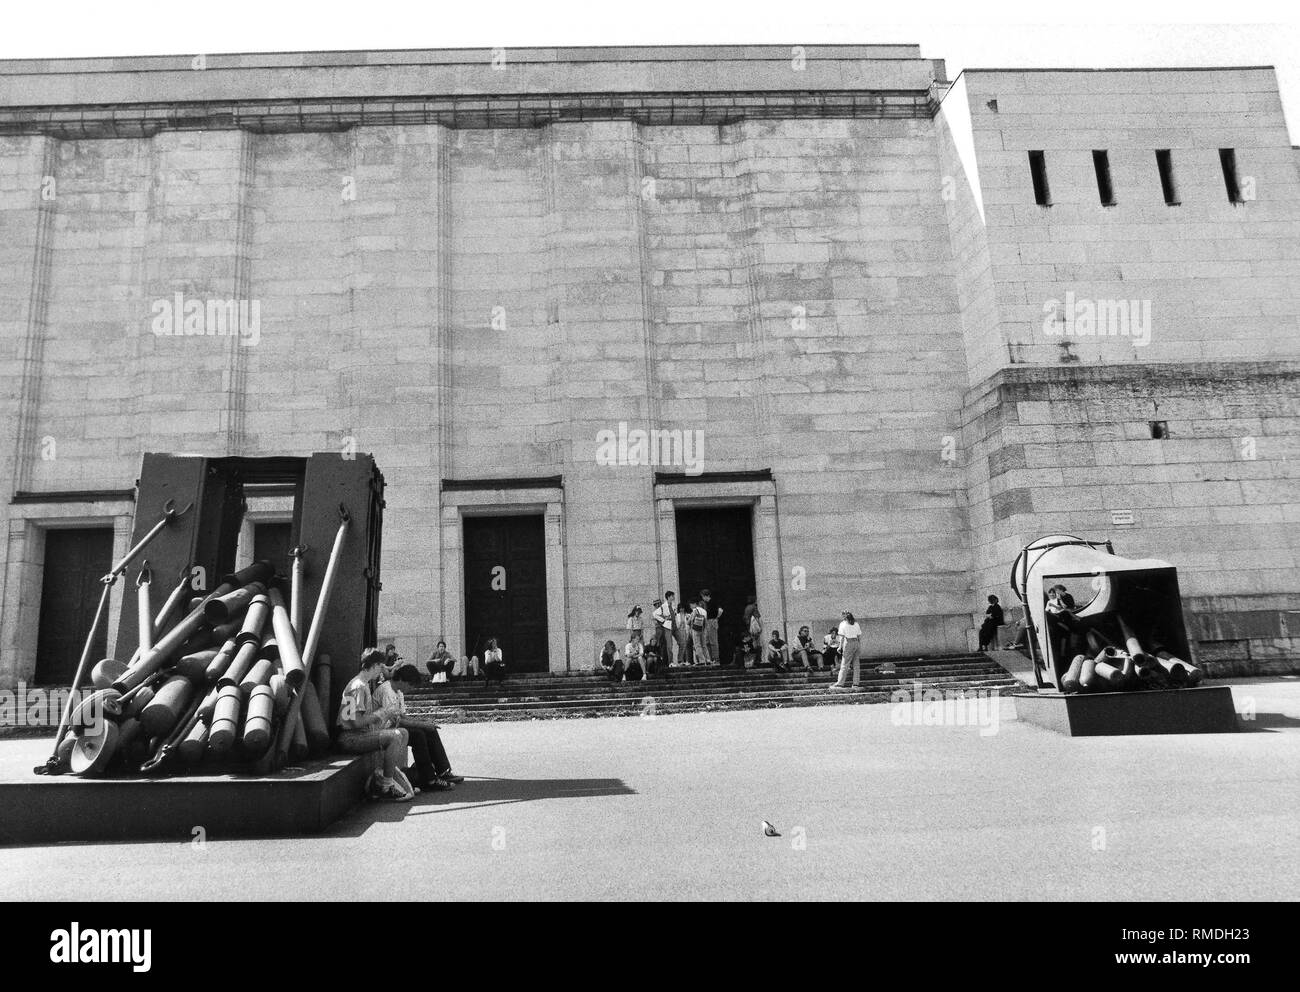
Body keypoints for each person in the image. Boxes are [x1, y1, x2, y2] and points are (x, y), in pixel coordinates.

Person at [335, 647, 412, 802]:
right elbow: (356, 722)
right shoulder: (358, 686)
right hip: (351, 737)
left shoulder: (362, 684)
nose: (382, 671)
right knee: (395, 736)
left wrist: (386, 716)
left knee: (403, 732)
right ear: (375, 665)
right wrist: (382, 713)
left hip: (358, 734)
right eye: (381, 667)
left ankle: (388, 778)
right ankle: (386, 786)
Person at [378, 665, 463, 790]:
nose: (411, 689)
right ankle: (429, 780)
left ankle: (443, 771)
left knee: (430, 730)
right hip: (384, 729)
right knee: (418, 735)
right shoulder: (386, 691)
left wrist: (423, 722)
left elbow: (402, 716)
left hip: (393, 726)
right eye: (410, 685)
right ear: (402, 680)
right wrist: (423, 724)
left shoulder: (398, 691)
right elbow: (398, 722)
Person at [829, 611, 863, 691]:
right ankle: (856, 683)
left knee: (844, 664)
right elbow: (859, 636)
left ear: (844, 617)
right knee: (856, 664)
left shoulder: (843, 624)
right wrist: (858, 645)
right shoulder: (856, 623)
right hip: (856, 643)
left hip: (848, 642)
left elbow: (842, 637)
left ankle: (840, 683)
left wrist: (840, 647)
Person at [700, 589, 723, 664]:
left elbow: (720, 610)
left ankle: (716, 659)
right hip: (707, 622)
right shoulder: (706, 603)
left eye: (703, 596)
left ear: (705, 596)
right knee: (707, 641)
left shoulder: (713, 602)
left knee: (713, 641)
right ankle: (710, 658)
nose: (702, 598)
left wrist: (716, 618)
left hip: (711, 621)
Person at [652, 592, 675, 663]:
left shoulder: (663, 610)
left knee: (666, 645)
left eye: (659, 604)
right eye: (656, 604)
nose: (658, 605)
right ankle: (662, 660)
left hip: (665, 629)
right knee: (660, 645)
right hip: (659, 630)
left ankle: (667, 660)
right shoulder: (656, 612)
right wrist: (663, 620)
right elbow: (656, 623)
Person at [688, 597, 709, 667]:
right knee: (704, 645)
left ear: (694, 604)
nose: (690, 607)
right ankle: (708, 659)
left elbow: (690, 621)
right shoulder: (704, 611)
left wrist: (688, 619)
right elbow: (705, 622)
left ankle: (702, 660)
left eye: (691, 605)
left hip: (696, 629)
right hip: (703, 629)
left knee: (697, 645)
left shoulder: (694, 610)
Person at [673, 601, 692, 666]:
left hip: (686, 632)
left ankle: (687, 660)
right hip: (679, 632)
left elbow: (689, 624)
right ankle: (680, 660)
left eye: (683, 608)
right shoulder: (677, 615)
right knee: (682, 646)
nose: (682, 609)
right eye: (680, 608)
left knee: (687, 646)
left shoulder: (688, 615)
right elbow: (676, 625)